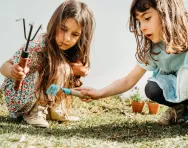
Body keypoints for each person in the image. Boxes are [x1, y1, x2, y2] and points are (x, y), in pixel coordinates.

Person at [78, 0, 188, 126]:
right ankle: (181, 109)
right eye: (139, 21)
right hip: (180, 90)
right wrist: (99, 93)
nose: (142, 27)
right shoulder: (153, 50)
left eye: (147, 18)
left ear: (168, 12)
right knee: (152, 88)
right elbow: (128, 80)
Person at [0, 0, 95, 128]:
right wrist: (12, 71)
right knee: (59, 67)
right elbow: (4, 66)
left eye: (75, 34)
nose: (67, 38)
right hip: (18, 95)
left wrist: (77, 70)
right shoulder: (38, 46)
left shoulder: (70, 50)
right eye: (63, 29)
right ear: (54, 24)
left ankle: (54, 110)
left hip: (36, 91)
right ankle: (33, 112)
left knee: (63, 68)